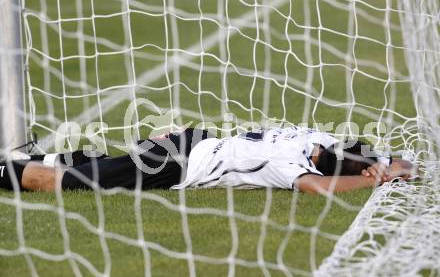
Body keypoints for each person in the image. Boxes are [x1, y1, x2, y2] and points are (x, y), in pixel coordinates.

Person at [0, 127, 413, 194]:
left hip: (191, 138)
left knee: (103, 165)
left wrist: (387, 166)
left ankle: (27, 156)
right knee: (65, 182)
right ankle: (8, 170)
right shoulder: (288, 164)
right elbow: (319, 187)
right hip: (178, 164)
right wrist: (373, 180)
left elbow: (404, 164)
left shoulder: (314, 138)